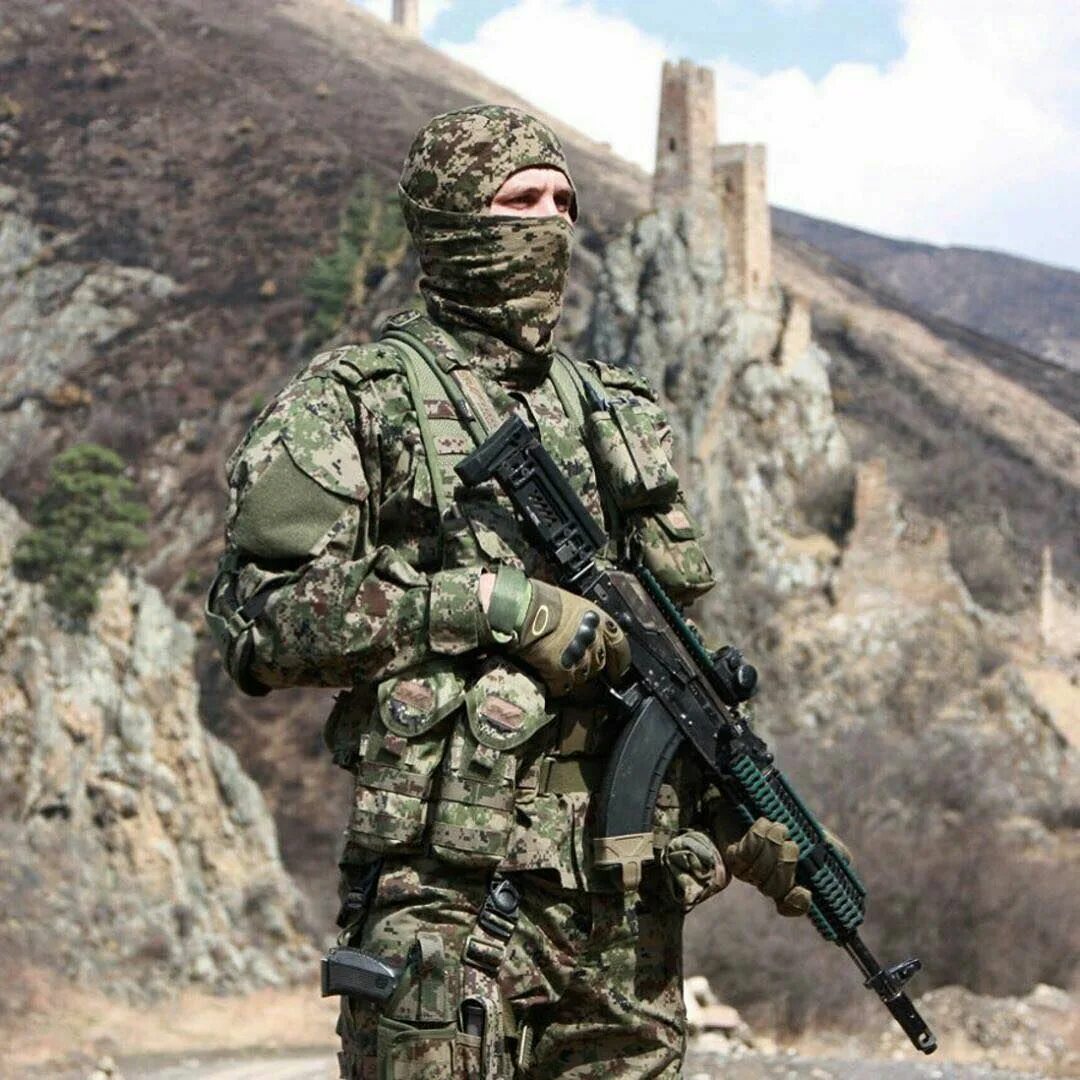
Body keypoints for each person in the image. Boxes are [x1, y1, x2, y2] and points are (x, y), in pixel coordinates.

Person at [206, 105, 817, 1079]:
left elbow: (667, 670)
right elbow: (260, 622)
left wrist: (735, 819)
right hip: (448, 906)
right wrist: (488, 606)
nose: (550, 223)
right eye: (520, 200)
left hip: (621, 927)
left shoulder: (618, 414)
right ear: (450, 218)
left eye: (565, 203)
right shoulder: (356, 400)